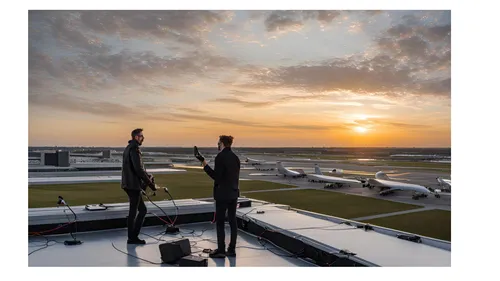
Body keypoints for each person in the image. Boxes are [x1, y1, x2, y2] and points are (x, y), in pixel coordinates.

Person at [194, 135, 240, 258]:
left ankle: (221, 250)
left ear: (222, 144)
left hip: (222, 195)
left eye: (218, 143)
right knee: (232, 222)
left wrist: (204, 163)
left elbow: (216, 177)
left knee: (220, 223)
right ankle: (232, 249)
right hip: (234, 194)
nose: (217, 145)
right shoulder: (236, 158)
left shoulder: (220, 157)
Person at [121, 128, 157, 244]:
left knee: (140, 210)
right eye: (141, 136)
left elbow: (135, 169)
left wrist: (147, 177)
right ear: (136, 137)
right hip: (133, 185)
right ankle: (132, 238)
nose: (143, 138)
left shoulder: (128, 148)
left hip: (129, 184)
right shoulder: (134, 149)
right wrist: (150, 184)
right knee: (136, 211)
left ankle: (132, 237)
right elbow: (138, 170)